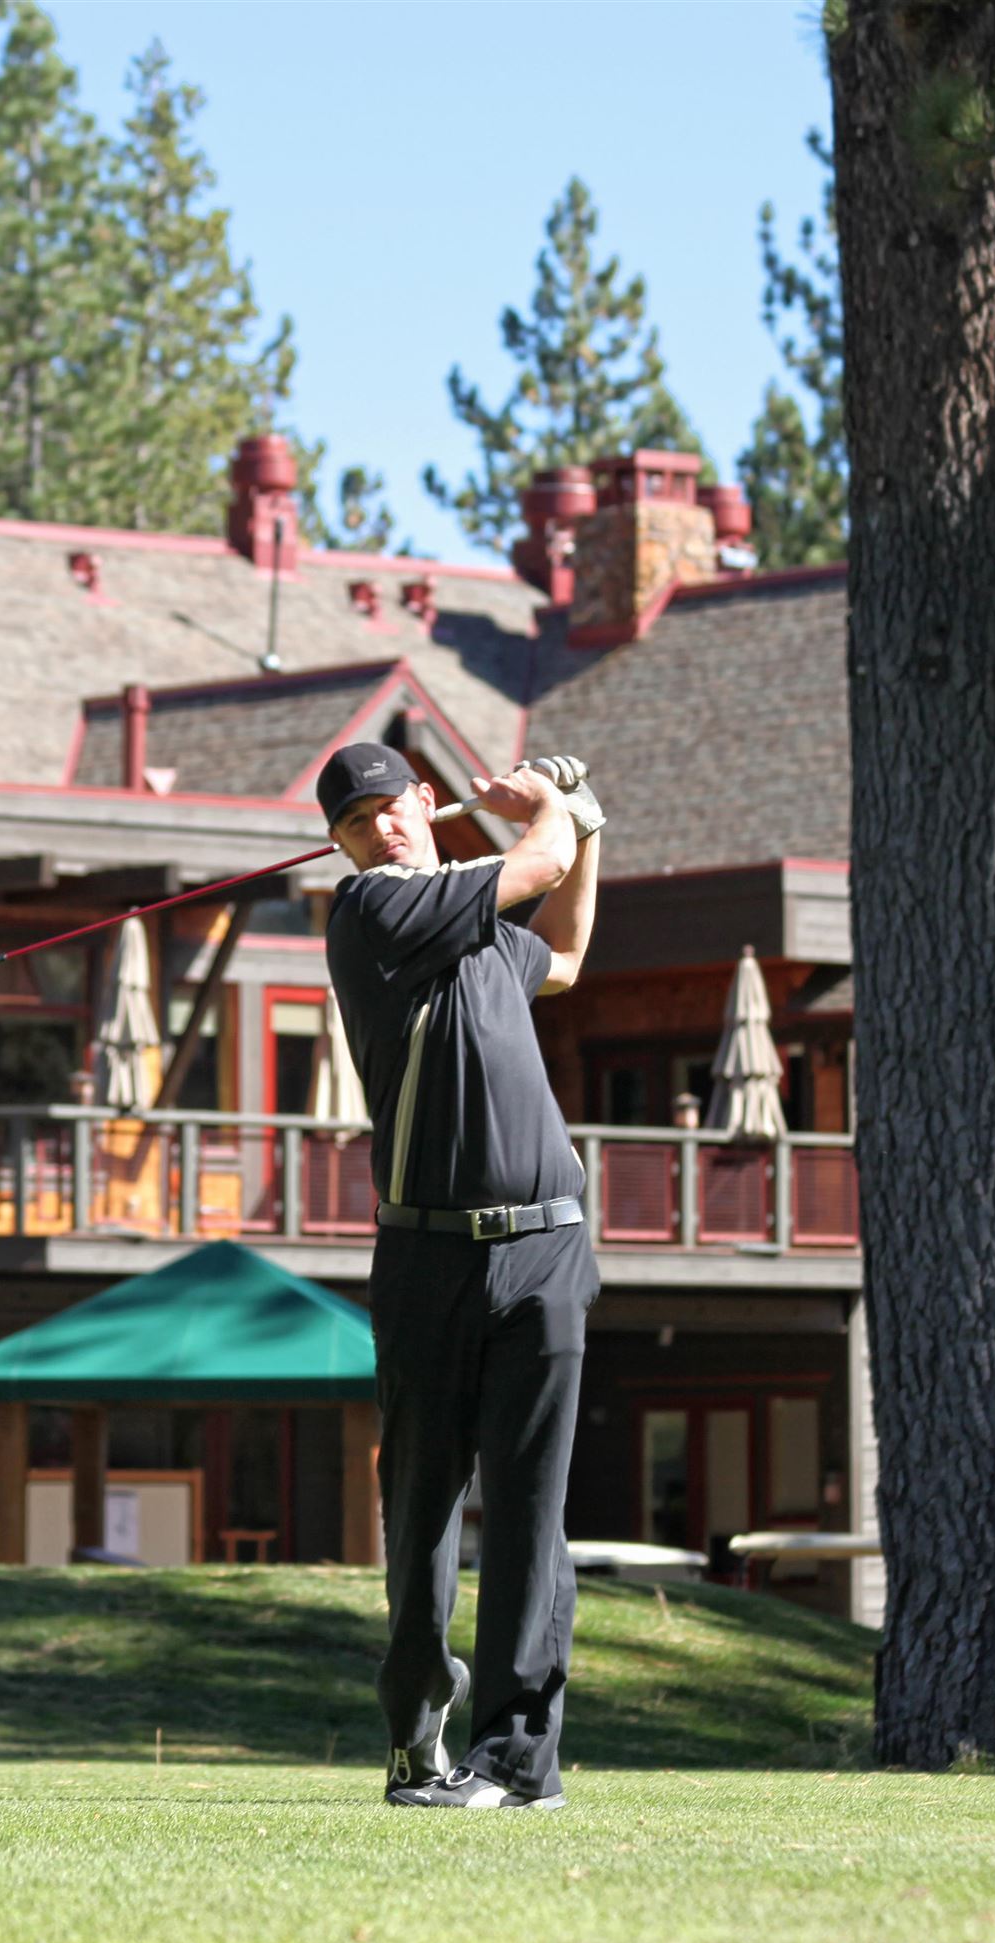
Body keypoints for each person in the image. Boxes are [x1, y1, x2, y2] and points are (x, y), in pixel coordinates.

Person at [318, 739, 602, 1810]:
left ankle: (518, 1763)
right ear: (343, 848)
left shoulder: (478, 932)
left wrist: (590, 823)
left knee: (532, 1511)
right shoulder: (373, 917)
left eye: (393, 806)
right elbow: (533, 867)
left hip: (547, 1246)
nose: (381, 827)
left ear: (424, 801)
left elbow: (564, 953)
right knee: (423, 1500)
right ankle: (415, 1723)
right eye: (357, 822)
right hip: (429, 1249)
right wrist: (549, 808)